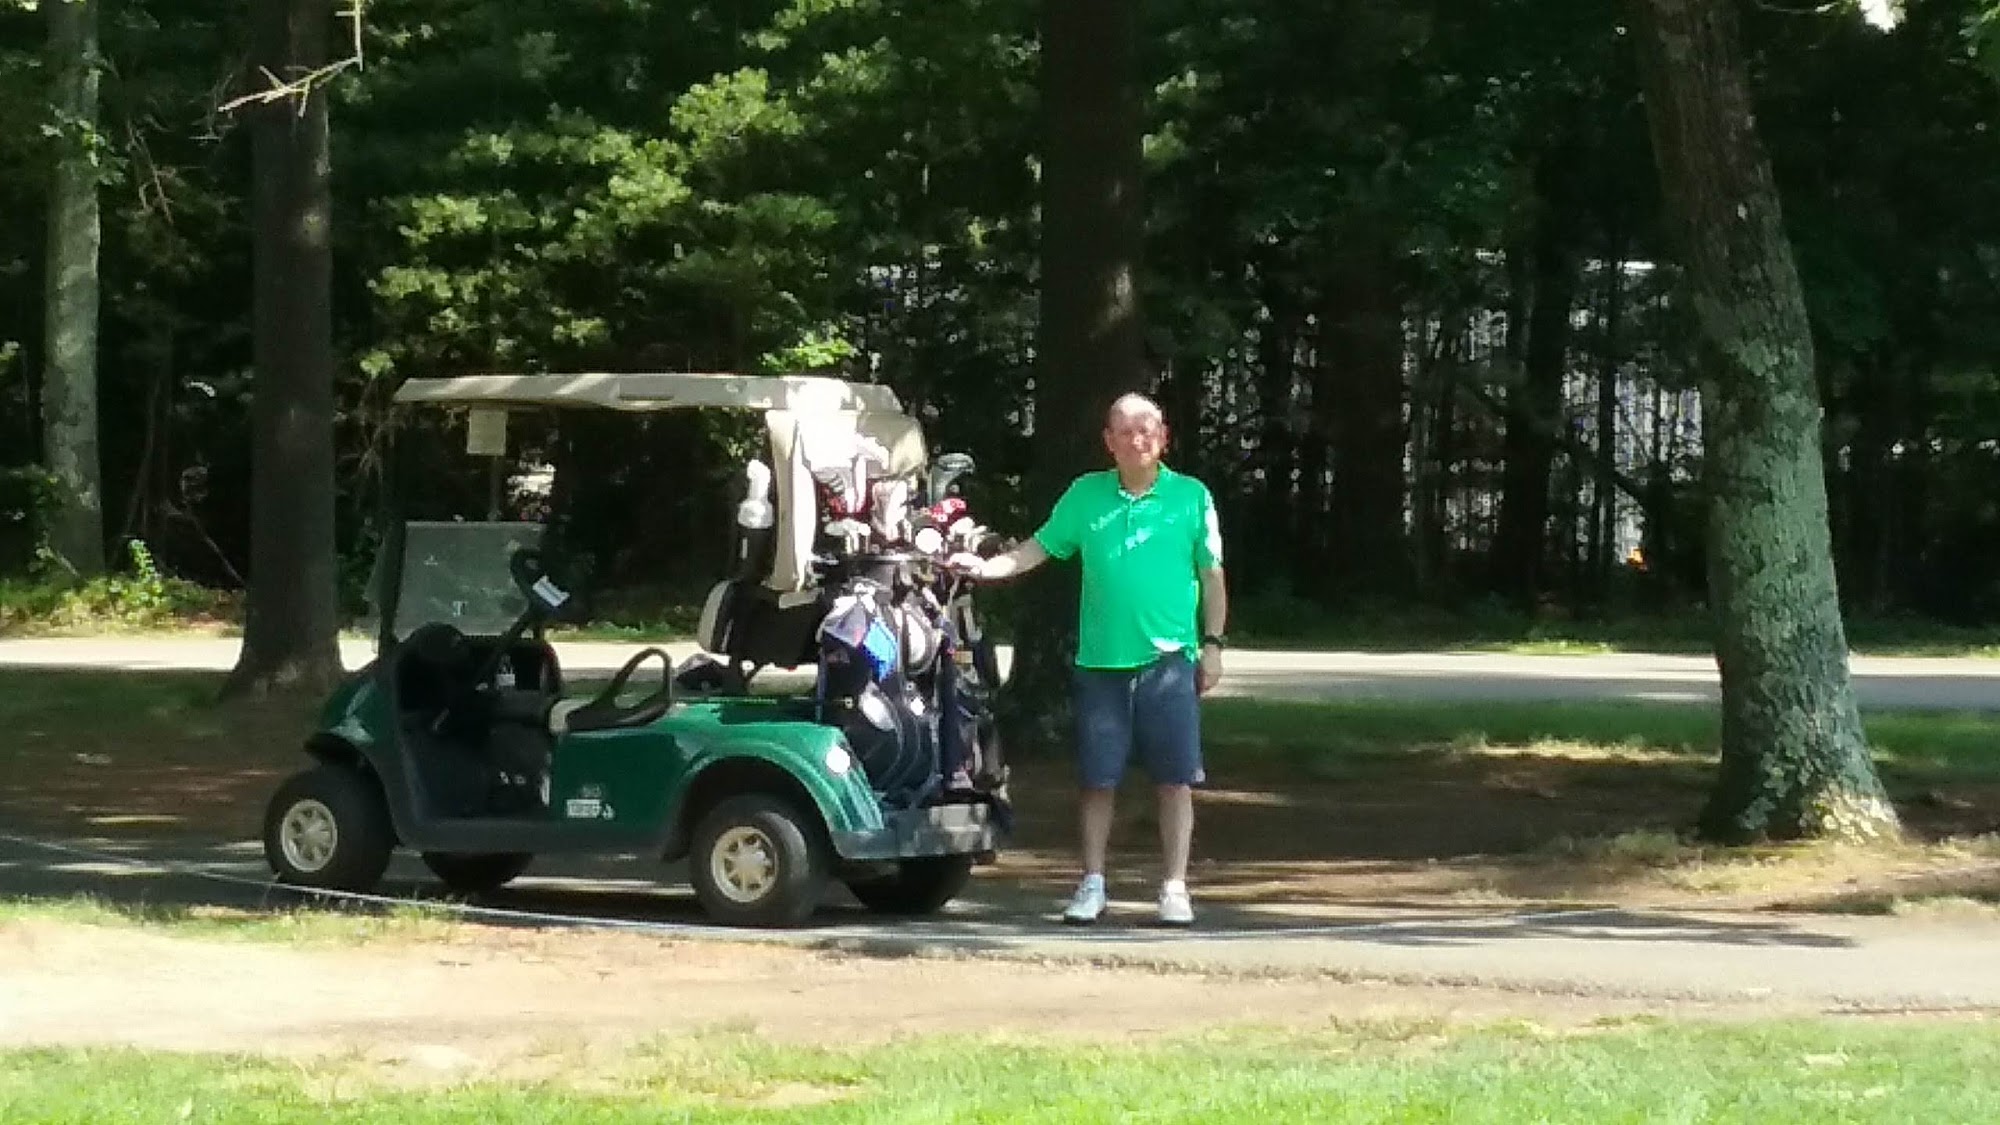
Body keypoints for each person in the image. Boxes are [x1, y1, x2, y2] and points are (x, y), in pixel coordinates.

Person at [954, 392, 1227, 926]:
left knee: (1175, 780)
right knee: (1097, 780)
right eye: (1125, 431)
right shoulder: (1086, 495)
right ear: (1109, 442)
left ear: (1163, 437)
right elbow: (1038, 547)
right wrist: (987, 569)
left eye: (1146, 430)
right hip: (1101, 663)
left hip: (1170, 660)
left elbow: (1212, 574)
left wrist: (1213, 644)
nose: (1137, 439)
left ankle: (1174, 887)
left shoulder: (1191, 497)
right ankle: (1093, 883)